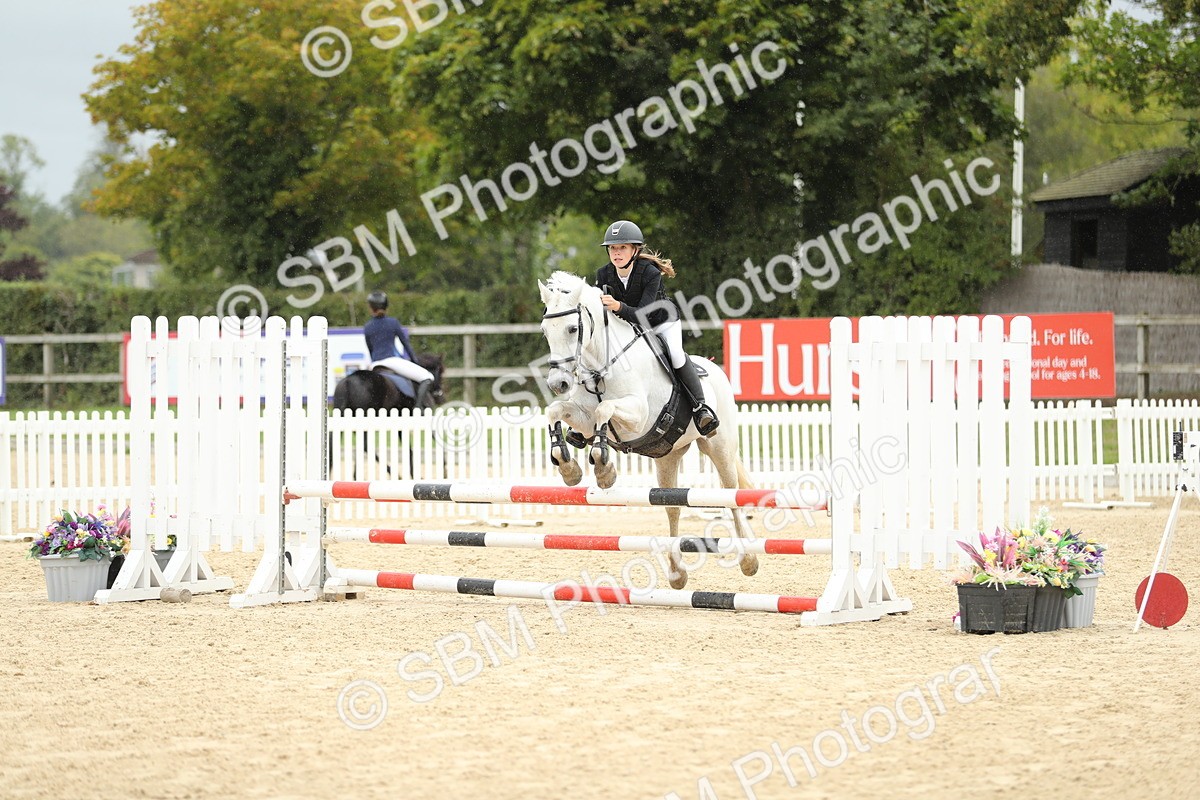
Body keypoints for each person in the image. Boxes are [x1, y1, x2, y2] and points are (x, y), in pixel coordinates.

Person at [594, 219, 718, 436]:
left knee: (675, 354)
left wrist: (618, 306)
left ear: (635, 250)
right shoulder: (603, 274)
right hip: (627, 326)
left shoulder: (649, 273)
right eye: (612, 248)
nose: (617, 253)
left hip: (661, 322)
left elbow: (643, 314)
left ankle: (700, 408)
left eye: (622, 247)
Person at [363, 290, 436, 408]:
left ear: (371, 308)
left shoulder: (367, 327)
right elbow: (406, 344)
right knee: (427, 377)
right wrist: (415, 361)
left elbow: (370, 349)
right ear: (386, 306)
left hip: (375, 364)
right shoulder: (393, 323)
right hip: (392, 361)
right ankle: (418, 408)